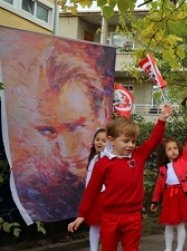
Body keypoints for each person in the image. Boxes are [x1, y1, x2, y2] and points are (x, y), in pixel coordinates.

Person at [68, 104, 173, 251]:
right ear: (111, 140)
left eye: (133, 141)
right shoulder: (103, 164)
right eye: (126, 141)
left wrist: (162, 119)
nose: (130, 145)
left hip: (132, 217)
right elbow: (91, 191)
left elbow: (152, 141)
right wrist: (81, 215)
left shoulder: (138, 157)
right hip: (110, 217)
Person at [0, 35, 113, 223]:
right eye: (48, 131)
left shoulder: (115, 162)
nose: (67, 151)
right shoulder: (36, 187)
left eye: (76, 126)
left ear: (102, 113)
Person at [150, 119, 187, 251]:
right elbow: (159, 186)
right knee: (168, 224)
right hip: (168, 197)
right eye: (169, 149)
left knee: (180, 224)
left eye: (175, 148)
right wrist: (155, 200)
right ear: (165, 152)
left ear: (179, 150)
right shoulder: (163, 169)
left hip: (181, 196)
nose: (173, 151)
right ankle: (167, 249)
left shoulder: (184, 160)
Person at [79, 128, 107, 251]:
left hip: (104, 195)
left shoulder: (108, 158)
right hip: (93, 197)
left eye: (103, 140)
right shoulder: (93, 158)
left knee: (104, 226)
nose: (100, 143)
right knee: (93, 225)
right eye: (97, 140)